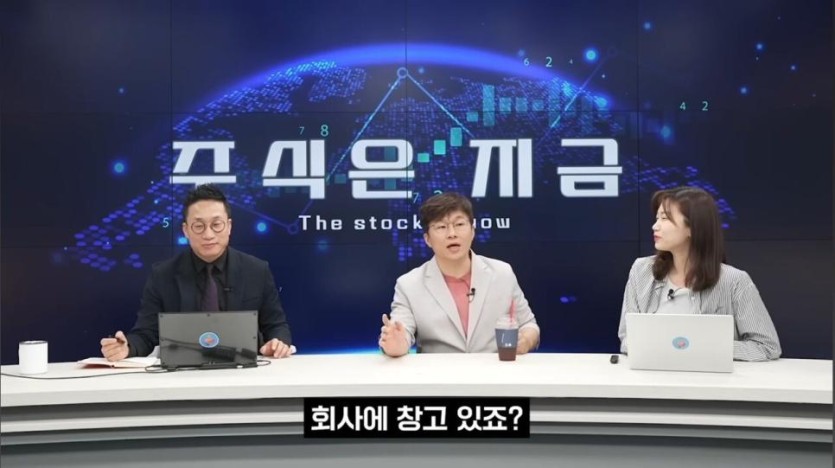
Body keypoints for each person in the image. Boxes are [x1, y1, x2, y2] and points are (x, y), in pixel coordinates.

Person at [100, 184, 292, 360]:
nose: (208, 234)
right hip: (182, 373)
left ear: (229, 226)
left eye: (216, 224)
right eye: (199, 226)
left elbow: (276, 325)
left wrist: (277, 343)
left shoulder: (256, 270)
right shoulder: (163, 275)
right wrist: (127, 347)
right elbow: (146, 333)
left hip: (244, 370)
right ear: (186, 230)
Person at [617, 186, 781, 361]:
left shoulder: (735, 281)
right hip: (652, 374)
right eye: (657, 218)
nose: (655, 226)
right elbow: (627, 338)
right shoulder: (641, 270)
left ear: (693, 228)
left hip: (709, 377)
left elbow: (767, 347)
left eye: (664, 218)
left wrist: (702, 347)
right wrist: (669, 347)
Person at [379, 192, 539, 357]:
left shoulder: (502, 273)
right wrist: (396, 343)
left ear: (472, 231)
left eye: (459, 224)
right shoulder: (409, 285)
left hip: (495, 370)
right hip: (438, 373)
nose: (452, 234)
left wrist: (525, 341)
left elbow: (529, 324)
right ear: (427, 239)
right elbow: (401, 330)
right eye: (441, 227)